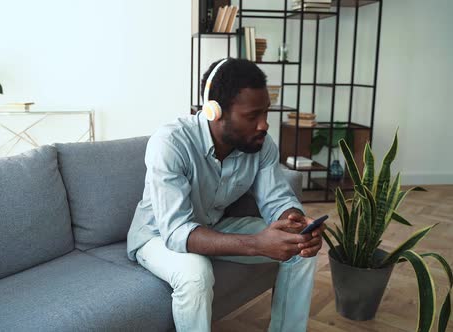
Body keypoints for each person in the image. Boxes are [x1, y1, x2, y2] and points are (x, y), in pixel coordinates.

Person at [127, 58, 324, 332]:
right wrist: (257, 243)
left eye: (265, 113)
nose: (264, 125)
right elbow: (177, 232)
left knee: (299, 248)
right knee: (195, 274)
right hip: (157, 235)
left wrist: (297, 222)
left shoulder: (260, 145)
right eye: (252, 116)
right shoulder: (170, 143)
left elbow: (277, 199)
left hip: (212, 226)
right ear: (214, 111)